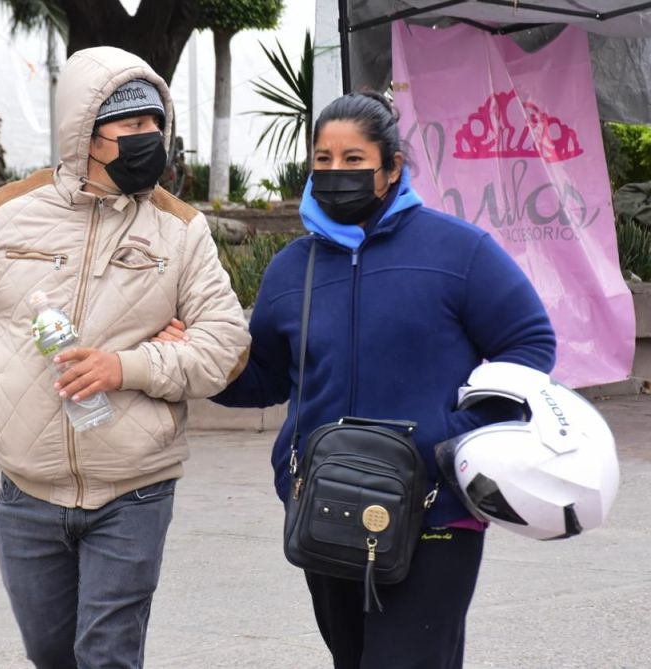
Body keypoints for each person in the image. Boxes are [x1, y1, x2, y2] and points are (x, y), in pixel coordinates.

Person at [157, 92, 557, 668]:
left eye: (353, 160)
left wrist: (458, 438)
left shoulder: (459, 251)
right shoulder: (292, 268)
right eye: (323, 160)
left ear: (392, 167)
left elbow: (531, 344)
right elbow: (267, 379)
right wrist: (199, 361)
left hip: (437, 508)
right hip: (327, 506)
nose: (335, 172)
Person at [0, 47, 250, 668]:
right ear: (86, 133)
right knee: (51, 654)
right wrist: (12, 379)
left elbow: (224, 345)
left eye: (155, 123)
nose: (149, 137)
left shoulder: (181, 229)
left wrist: (128, 367)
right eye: (131, 124)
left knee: (106, 655)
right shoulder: (4, 213)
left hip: (135, 490)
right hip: (26, 491)